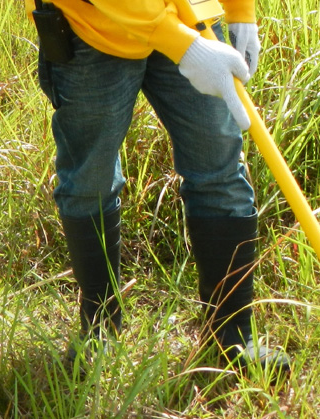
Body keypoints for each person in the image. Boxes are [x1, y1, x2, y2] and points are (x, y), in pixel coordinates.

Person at [25, 0, 290, 376]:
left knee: (219, 172)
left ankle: (232, 335)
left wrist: (240, 10)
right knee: (90, 181)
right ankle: (100, 330)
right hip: (92, 30)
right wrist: (183, 44)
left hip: (185, 16)